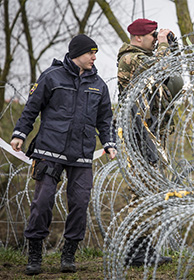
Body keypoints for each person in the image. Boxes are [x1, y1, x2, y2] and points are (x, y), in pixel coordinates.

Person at [10, 34, 117, 275]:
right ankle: (34, 254)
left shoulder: (99, 84)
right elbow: (31, 108)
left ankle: (69, 254)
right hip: (49, 150)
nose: (94, 56)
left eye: (95, 52)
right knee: (42, 202)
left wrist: (109, 142)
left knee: (80, 204)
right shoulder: (51, 77)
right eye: (90, 52)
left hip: (81, 154)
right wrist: (20, 133)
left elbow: (105, 119)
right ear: (77, 53)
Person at [116, 18, 183, 267]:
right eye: (153, 36)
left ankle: (144, 247)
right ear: (138, 38)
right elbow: (158, 70)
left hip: (151, 132)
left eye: (158, 36)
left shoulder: (146, 57)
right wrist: (164, 45)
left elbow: (172, 78)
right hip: (137, 134)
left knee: (151, 193)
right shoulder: (130, 58)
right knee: (140, 193)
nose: (156, 40)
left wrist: (172, 48)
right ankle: (136, 249)